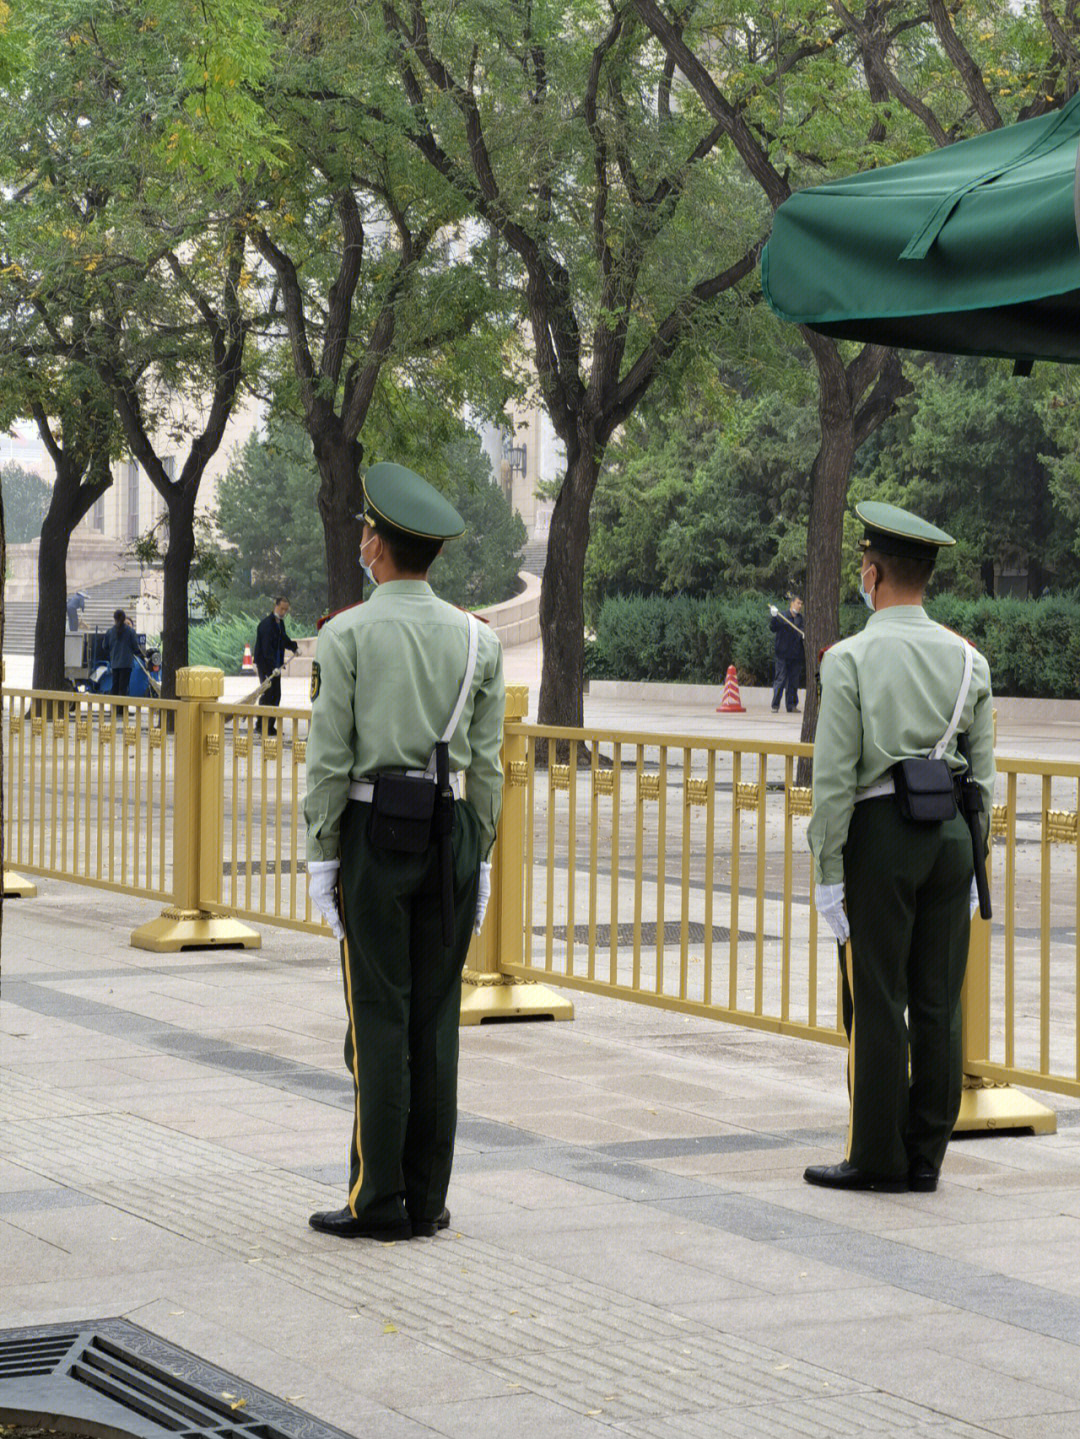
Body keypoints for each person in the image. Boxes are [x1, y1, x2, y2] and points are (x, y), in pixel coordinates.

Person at [304, 461, 506, 1241]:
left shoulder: (348, 634)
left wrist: (323, 854)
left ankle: (377, 1196)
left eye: (365, 531)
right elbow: (485, 764)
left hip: (374, 832)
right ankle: (428, 1195)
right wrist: (480, 852)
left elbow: (329, 760)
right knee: (435, 1016)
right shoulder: (476, 639)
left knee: (379, 1014)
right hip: (450, 831)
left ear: (377, 545)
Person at [805, 500, 994, 1194]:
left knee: (879, 994)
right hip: (949, 836)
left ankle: (876, 1153)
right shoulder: (969, 660)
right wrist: (978, 862)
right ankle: (926, 1153)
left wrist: (828, 867)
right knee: (941, 998)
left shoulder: (850, 658)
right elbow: (986, 774)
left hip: (882, 834)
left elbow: (832, 779)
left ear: (873, 572)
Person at [253, 596, 299, 736]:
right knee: (268, 694)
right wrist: (273, 665)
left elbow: (283, 639)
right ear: (276, 606)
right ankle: (261, 726)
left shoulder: (280, 624)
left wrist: (294, 647)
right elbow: (266, 649)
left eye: (286, 609)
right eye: (282, 608)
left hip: (276, 667)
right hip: (266, 665)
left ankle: (269, 726)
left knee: (276, 695)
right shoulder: (267, 625)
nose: (284, 611)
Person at [769, 595, 804, 713]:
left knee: (793, 681)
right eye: (798, 603)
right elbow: (773, 628)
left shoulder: (801, 619)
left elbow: (803, 632)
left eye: (801, 604)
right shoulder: (782, 616)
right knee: (780, 679)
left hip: (796, 655)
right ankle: (775, 705)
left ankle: (791, 705)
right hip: (782, 654)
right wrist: (774, 617)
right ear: (792, 603)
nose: (800, 606)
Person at [103, 609, 145, 704]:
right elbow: (135, 647)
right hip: (127, 664)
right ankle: (121, 710)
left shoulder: (110, 631)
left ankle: (113, 707)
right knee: (123, 687)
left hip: (115, 663)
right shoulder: (130, 631)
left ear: (114, 619)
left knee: (115, 686)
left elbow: (104, 646)